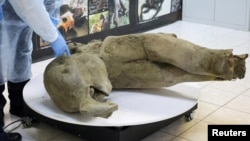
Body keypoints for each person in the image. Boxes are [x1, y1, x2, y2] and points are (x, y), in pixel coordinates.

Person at [0, 0, 70, 140]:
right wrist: (53, 36)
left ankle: (19, 104)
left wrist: (48, 19)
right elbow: (26, 3)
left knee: (21, 54)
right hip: (16, 7)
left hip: (19, 13)